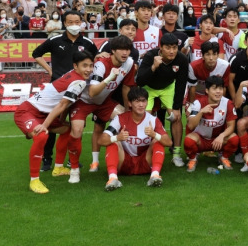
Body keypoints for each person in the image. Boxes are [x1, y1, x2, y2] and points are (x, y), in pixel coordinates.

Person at [13, 51, 94, 193]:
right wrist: (45, 125)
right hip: (27, 111)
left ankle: (58, 168)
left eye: (91, 66)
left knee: (67, 130)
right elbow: (62, 104)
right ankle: (34, 181)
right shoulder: (79, 82)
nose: (88, 69)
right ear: (75, 66)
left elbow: (64, 103)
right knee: (42, 135)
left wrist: (61, 121)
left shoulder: (75, 75)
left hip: (44, 114)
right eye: (84, 66)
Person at [32, 10, 98, 171]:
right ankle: (47, 159)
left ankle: (71, 159)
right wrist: (50, 70)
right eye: (70, 22)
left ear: (82, 22)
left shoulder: (88, 43)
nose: (74, 25)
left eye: (77, 21)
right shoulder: (55, 40)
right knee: (53, 124)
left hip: (78, 90)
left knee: (76, 126)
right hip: (57, 89)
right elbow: (36, 53)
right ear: (65, 23)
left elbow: (96, 62)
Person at [68, 36, 135, 179]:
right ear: (112, 51)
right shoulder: (101, 65)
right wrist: (110, 77)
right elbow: (92, 92)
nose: (125, 53)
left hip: (104, 101)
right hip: (83, 100)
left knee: (125, 120)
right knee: (77, 130)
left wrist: (128, 111)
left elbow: (126, 87)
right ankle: (75, 169)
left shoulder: (129, 63)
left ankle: (126, 160)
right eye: (121, 49)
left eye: (128, 49)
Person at [99, 86, 172, 191]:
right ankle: (112, 178)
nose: (141, 105)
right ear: (130, 103)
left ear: (147, 102)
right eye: (137, 101)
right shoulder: (120, 119)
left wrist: (154, 134)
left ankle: (155, 175)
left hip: (145, 161)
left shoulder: (153, 120)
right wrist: (117, 137)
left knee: (158, 140)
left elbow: (169, 142)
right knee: (113, 142)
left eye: (143, 101)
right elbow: (101, 140)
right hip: (124, 163)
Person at [136, 33, 189, 167]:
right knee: (144, 118)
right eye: (168, 48)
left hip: (168, 87)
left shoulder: (182, 59)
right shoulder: (150, 56)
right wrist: (153, 67)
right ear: (161, 47)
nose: (172, 51)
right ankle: (142, 152)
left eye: (174, 47)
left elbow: (181, 83)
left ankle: (176, 153)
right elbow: (140, 81)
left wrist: (177, 107)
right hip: (150, 87)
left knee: (176, 117)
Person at [184, 76, 239, 172]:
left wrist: (221, 136)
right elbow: (191, 125)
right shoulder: (198, 103)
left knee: (234, 139)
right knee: (188, 141)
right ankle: (193, 159)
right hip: (201, 139)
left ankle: (223, 157)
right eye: (214, 88)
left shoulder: (228, 103)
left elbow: (231, 126)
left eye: (220, 88)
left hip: (218, 140)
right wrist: (201, 112)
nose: (218, 91)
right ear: (207, 90)